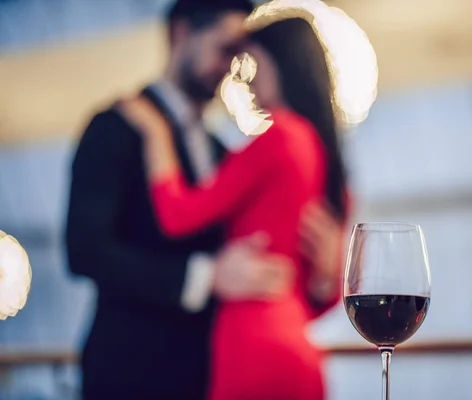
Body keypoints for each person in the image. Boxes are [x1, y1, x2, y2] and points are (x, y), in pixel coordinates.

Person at [65, 1, 344, 399]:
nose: (233, 66)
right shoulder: (116, 127)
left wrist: (325, 274)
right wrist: (207, 277)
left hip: (208, 374)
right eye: (226, 48)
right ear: (181, 34)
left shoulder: (221, 150)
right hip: (132, 373)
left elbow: (262, 261)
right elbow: (85, 251)